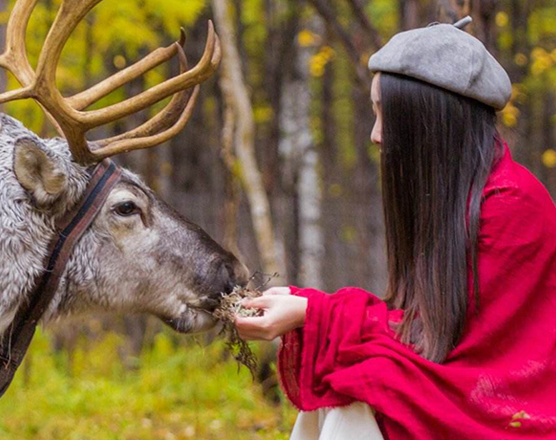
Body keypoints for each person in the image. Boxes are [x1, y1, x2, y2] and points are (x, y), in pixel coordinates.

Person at [235, 17, 556, 440]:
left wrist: (312, 312)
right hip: (466, 397)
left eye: (385, 115)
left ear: (429, 122)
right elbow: (418, 332)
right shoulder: (457, 201)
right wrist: (306, 307)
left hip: (510, 414)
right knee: (350, 385)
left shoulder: (511, 206)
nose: (375, 135)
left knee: (361, 384)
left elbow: (458, 359)